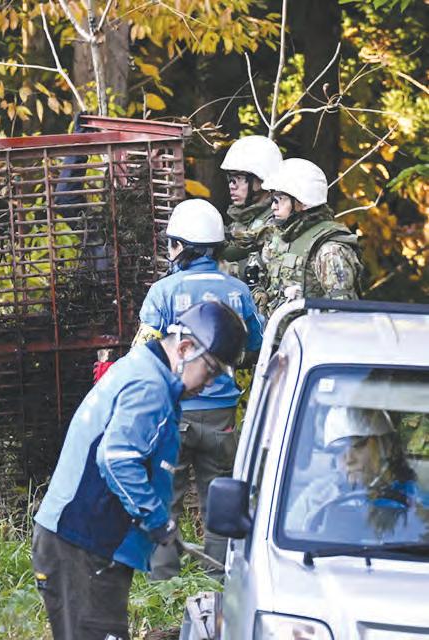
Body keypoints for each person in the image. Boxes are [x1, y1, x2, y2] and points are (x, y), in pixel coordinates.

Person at [32, 301, 247, 640]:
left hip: (82, 540)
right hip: (83, 543)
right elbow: (118, 460)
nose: (209, 384)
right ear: (186, 348)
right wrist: (158, 520)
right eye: (211, 372)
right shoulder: (150, 386)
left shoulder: (143, 368)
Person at [131, 199, 263, 579]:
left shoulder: (163, 291)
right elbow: (255, 344)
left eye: (173, 243)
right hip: (222, 414)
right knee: (219, 497)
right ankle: (220, 575)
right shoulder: (238, 291)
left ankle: (163, 578)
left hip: (175, 412)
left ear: (184, 247)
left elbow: (144, 351)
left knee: (165, 495)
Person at [287, 407, 425, 534]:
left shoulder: (417, 495)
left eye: (357, 446)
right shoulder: (316, 496)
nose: (348, 459)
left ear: (386, 446)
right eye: (338, 451)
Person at [256, 158, 362, 316]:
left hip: (310, 338)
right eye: (273, 199)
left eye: (280, 199)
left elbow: (342, 315)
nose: (273, 206)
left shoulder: (330, 251)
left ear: (303, 203)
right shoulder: (280, 237)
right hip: (277, 337)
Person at [218, 135, 283, 288]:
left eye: (239, 178)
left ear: (261, 180)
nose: (232, 185)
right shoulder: (245, 218)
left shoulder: (276, 219)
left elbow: (235, 253)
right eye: (230, 178)